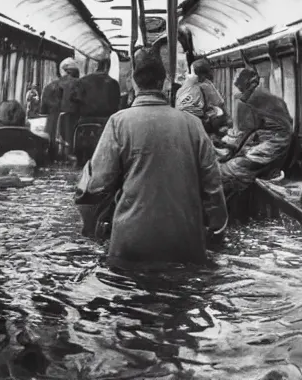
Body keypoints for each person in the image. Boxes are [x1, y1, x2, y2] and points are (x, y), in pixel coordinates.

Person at [75, 47, 228, 269]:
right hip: (186, 242)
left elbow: (97, 184)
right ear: (165, 83)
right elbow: (213, 186)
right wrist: (216, 229)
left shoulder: (118, 122)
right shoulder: (193, 125)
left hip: (132, 243)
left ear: (133, 83)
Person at [219, 68, 293, 200]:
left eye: (241, 88)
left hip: (273, 144)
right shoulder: (266, 95)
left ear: (248, 84)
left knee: (229, 170)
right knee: (232, 162)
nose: (240, 92)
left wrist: (231, 148)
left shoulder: (254, 97)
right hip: (274, 142)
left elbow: (245, 130)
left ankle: (227, 206)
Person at [39, 57, 81, 158]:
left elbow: (43, 111)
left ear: (61, 71)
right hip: (74, 137)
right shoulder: (82, 85)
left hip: (52, 136)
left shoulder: (50, 86)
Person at [176, 59, 231, 134]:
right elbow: (219, 103)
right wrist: (228, 119)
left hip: (181, 122)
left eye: (191, 72)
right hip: (198, 123)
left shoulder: (186, 85)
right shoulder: (206, 85)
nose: (189, 74)